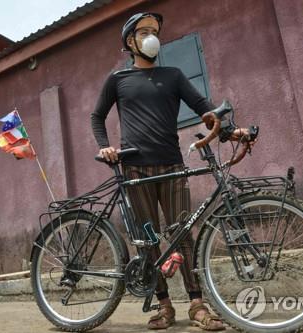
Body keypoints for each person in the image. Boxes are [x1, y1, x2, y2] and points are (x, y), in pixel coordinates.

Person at [91, 12, 228, 331]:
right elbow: (97, 117)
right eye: (145, 32)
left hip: (172, 164)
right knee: (147, 238)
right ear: (130, 41)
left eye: (155, 31)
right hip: (135, 168)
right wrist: (105, 146)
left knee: (183, 234)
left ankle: (197, 304)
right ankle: (165, 307)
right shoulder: (117, 80)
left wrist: (226, 128)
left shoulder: (174, 75)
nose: (153, 37)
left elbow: (203, 107)